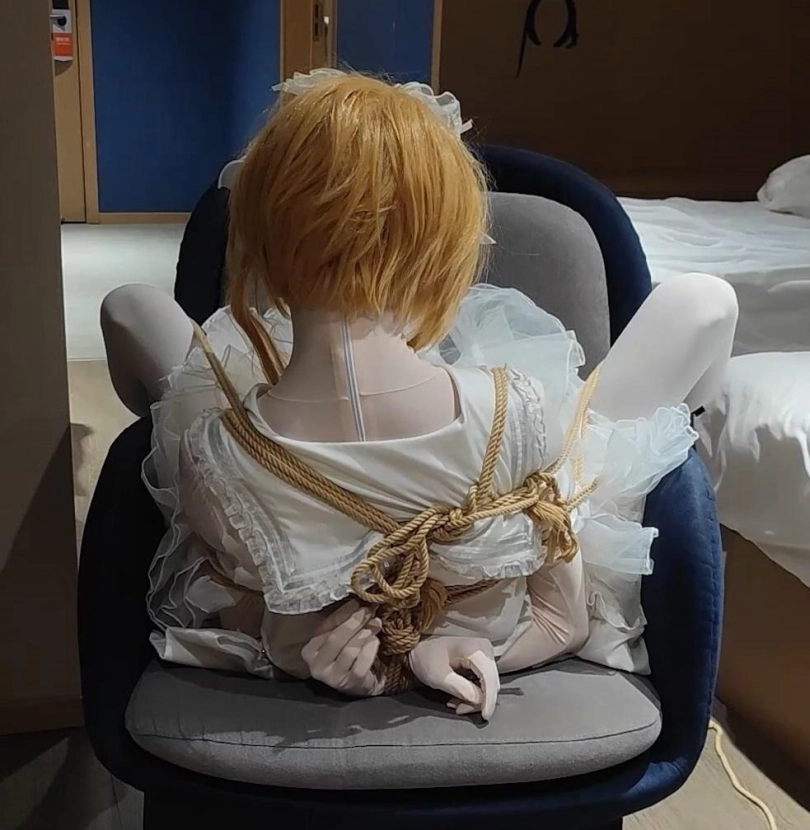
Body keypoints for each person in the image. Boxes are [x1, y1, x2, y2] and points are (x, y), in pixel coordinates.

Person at [102, 70, 738, 721]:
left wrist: (369, 660)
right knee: (704, 302)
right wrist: (434, 654)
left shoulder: (214, 459)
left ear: (258, 242)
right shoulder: (519, 414)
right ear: (446, 245)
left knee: (132, 307)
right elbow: (562, 621)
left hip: (313, 461)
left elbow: (257, 621)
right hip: (495, 472)